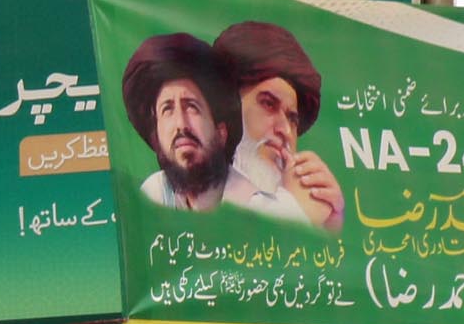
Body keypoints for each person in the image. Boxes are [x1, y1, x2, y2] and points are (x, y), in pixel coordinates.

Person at [214, 22, 343, 231]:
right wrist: (294, 210)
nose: (285, 130)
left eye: (292, 118)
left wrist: (330, 225)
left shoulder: (298, 201)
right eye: (268, 104)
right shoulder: (175, 192)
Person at [120, 32, 234, 211]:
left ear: (221, 133)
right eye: (167, 109)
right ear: (156, 137)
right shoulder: (155, 194)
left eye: (191, 107)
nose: (181, 124)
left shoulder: (255, 204)